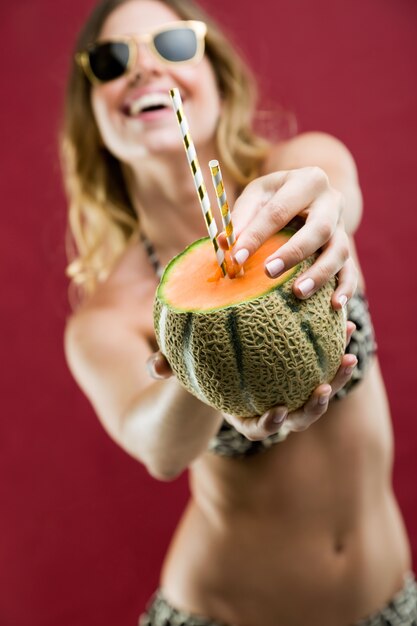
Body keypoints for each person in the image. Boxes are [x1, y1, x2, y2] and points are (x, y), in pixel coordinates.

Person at [61, 0, 416, 624]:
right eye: (113, 60)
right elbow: (159, 448)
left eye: (171, 45)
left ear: (218, 79)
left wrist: (323, 211)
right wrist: (199, 358)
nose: (144, 68)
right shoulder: (108, 318)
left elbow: (334, 190)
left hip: (390, 601)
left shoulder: (295, 175)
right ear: (91, 117)